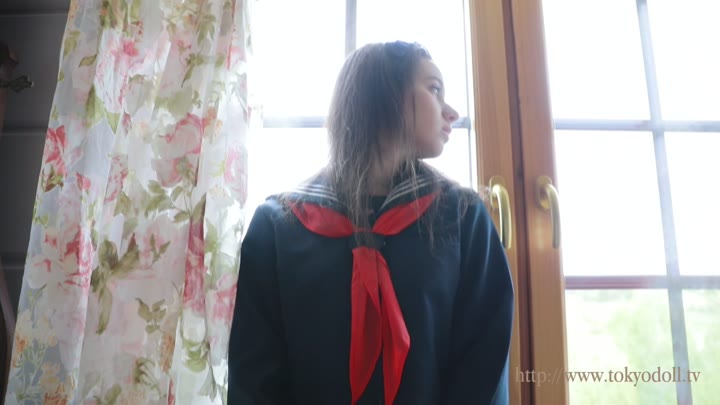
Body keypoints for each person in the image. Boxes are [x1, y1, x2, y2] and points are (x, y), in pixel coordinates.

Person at [228, 41, 514, 405]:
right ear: (385, 94)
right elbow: (254, 377)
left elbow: (484, 367)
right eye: (434, 89)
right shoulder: (275, 227)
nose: (452, 112)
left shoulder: (464, 220)